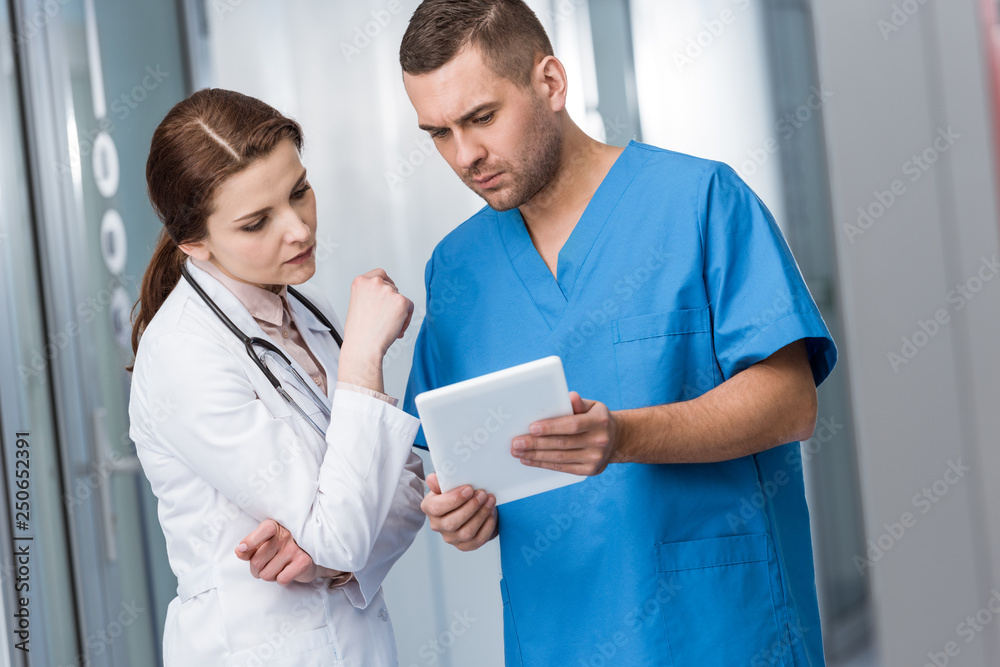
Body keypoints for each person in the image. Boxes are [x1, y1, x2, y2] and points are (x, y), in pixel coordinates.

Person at [398, 1, 838, 665]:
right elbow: (467, 463)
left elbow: (792, 403)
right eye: (438, 133)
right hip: (558, 635)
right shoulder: (458, 271)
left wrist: (624, 436)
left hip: (720, 628)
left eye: (481, 117)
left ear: (550, 83)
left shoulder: (699, 202)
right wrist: (463, 516)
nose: (465, 155)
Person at [128, 88, 424, 666]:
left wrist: (331, 556)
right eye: (257, 222)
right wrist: (363, 357)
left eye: (299, 192)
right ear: (194, 243)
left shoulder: (306, 313)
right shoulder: (183, 356)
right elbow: (347, 523)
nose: (297, 230)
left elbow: (407, 487)